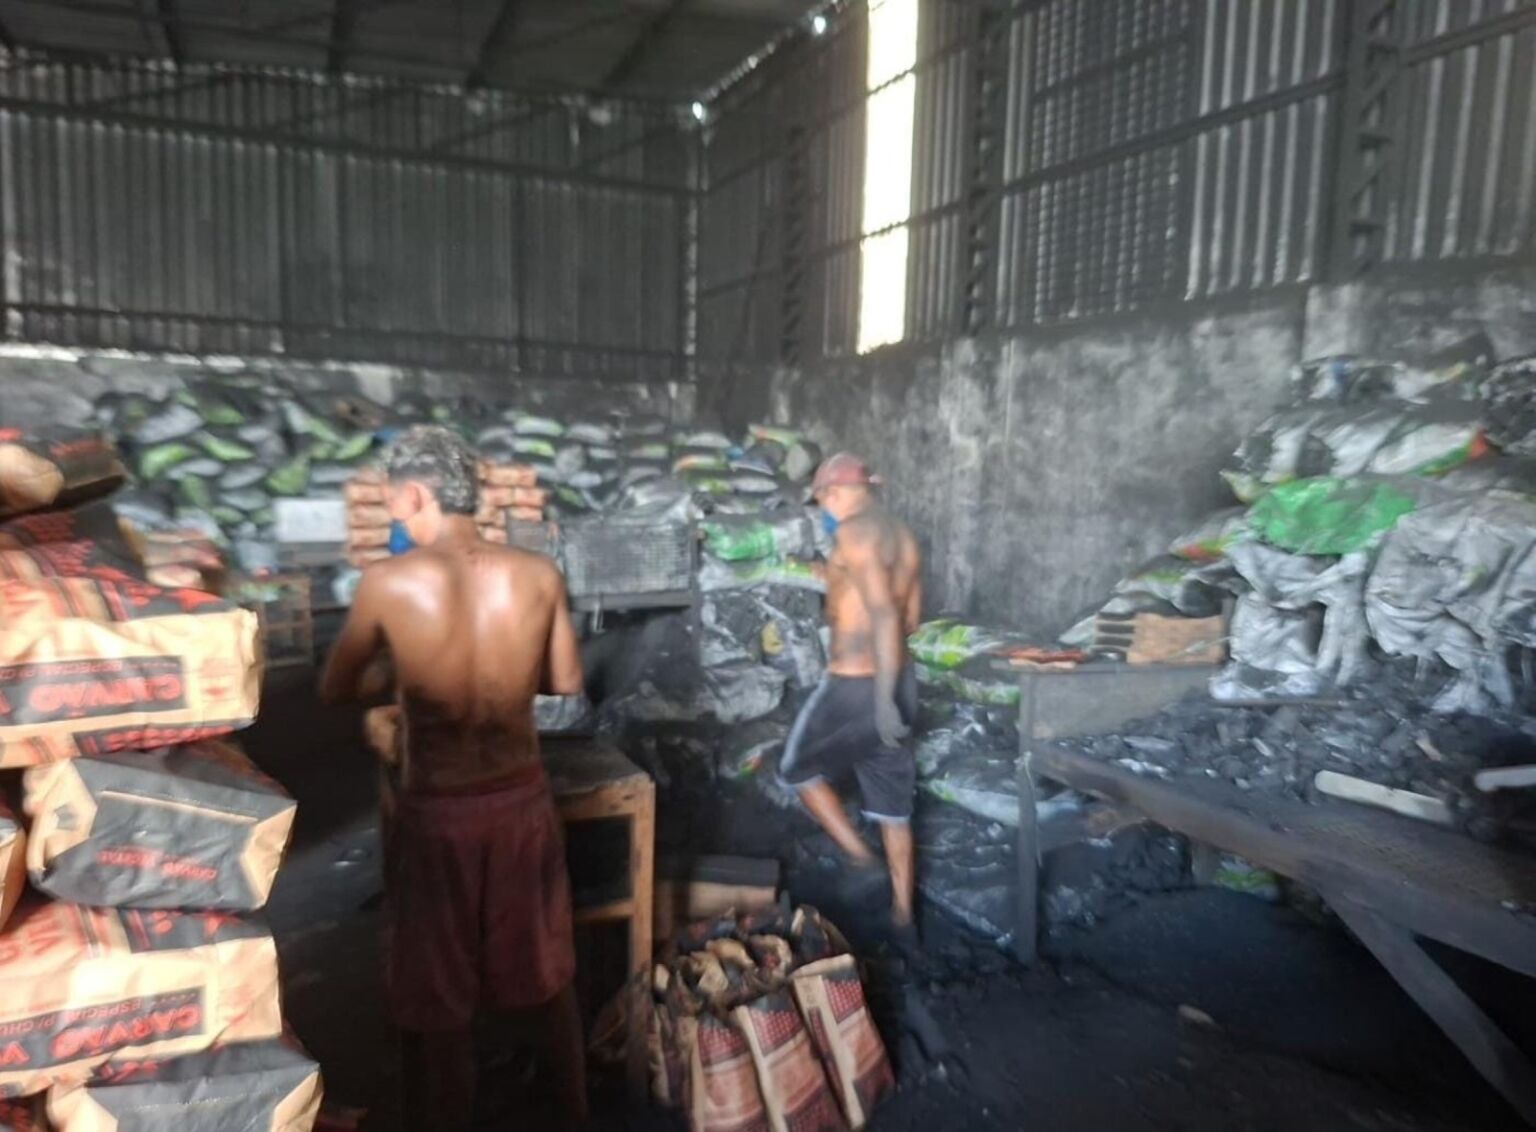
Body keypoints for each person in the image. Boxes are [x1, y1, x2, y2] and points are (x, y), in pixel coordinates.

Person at [321, 425, 586, 1132]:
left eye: (393, 502)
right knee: (546, 973)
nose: (394, 515)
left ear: (415, 494)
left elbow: (336, 687)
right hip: (521, 798)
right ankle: (575, 1110)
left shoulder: (388, 583)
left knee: (439, 1000)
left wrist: (407, 670)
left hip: (438, 813)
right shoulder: (538, 574)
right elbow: (565, 680)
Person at [780, 453, 923, 929]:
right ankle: (903, 913)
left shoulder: (852, 532)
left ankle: (862, 858)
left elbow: (882, 612)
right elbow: (910, 618)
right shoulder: (902, 536)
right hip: (900, 680)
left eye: (822, 500)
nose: (823, 509)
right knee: (893, 806)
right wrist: (826, 575)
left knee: (796, 769)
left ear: (835, 493)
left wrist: (880, 703)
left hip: (857, 685)